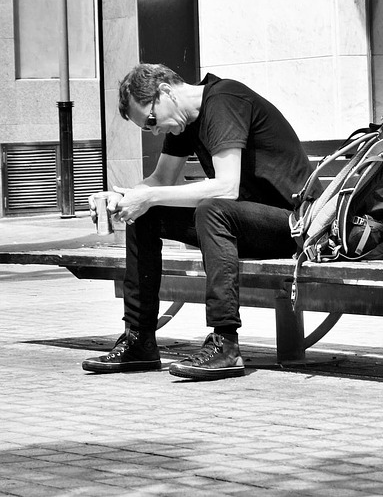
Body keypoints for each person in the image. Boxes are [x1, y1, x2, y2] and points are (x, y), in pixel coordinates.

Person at [83, 63, 316, 380]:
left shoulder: (223, 101)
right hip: (243, 224)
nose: (154, 131)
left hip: (291, 226)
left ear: (165, 92)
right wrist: (124, 198)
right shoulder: (182, 122)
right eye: (147, 128)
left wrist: (149, 196)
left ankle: (226, 345)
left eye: (152, 121)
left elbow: (226, 187)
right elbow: (160, 179)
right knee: (144, 211)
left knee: (212, 209)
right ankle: (139, 340)